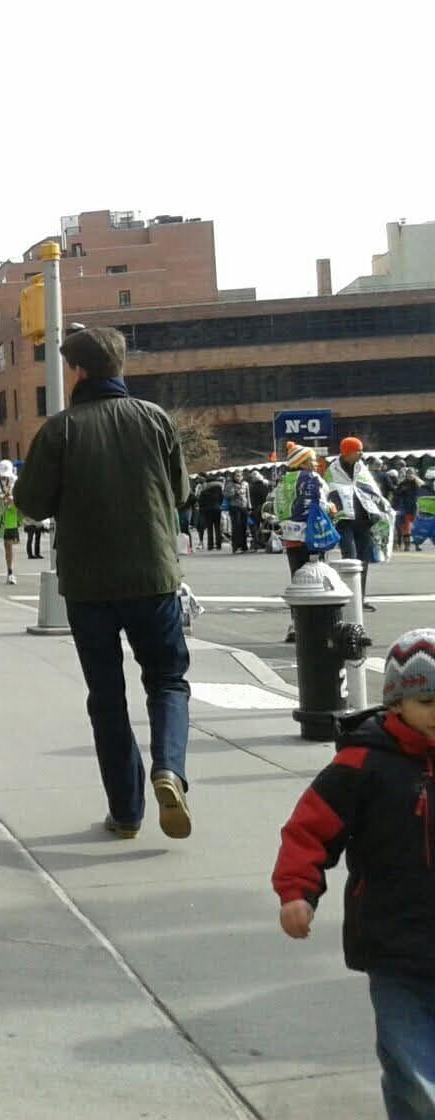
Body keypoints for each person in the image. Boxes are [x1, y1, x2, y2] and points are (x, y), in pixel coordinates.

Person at [15, 326, 193, 841]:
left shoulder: (60, 430)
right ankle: (169, 769)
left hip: (89, 587)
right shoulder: (154, 419)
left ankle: (127, 811)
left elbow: (31, 503)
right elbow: (180, 491)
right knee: (167, 680)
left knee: (107, 697)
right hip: (153, 576)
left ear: (78, 371)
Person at [273, 629, 435, 1120]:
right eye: (428, 700)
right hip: (393, 943)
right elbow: (309, 831)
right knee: (410, 1062)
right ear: (396, 705)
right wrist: (297, 891)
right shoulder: (362, 764)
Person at [275, 444, 331, 642]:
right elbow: (323, 503)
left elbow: (276, 507)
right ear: (302, 462)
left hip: (291, 539)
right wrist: (331, 508)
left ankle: (296, 624)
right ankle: (317, 624)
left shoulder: (283, 482)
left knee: (298, 579)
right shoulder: (313, 480)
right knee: (317, 578)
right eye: (312, 460)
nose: (315, 464)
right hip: (312, 536)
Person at [329, 436, 389, 606]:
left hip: (364, 520)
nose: (361, 453)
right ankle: (349, 597)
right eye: (358, 450)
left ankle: (360, 599)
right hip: (345, 521)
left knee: (363, 560)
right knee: (350, 558)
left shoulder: (362, 468)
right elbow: (328, 491)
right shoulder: (332, 469)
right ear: (347, 452)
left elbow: (372, 489)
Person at [197, 474, 225, 551]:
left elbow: (200, 501)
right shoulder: (219, 488)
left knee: (210, 528)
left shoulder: (204, 489)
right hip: (217, 509)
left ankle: (210, 545)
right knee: (217, 527)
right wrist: (219, 505)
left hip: (208, 510)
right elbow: (222, 498)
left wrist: (202, 508)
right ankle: (219, 545)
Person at [228, 474, 251, 554]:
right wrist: (234, 493)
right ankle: (235, 546)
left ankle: (244, 546)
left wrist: (249, 507)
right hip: (234, 507)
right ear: (233, 477)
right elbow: (227, 495)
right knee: (236, 526)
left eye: (240, 476)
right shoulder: (230, 484)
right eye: (237, 476)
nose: (239, 477)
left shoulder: (245, 484)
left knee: (244, 527)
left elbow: (248, 496)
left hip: (244, 507)